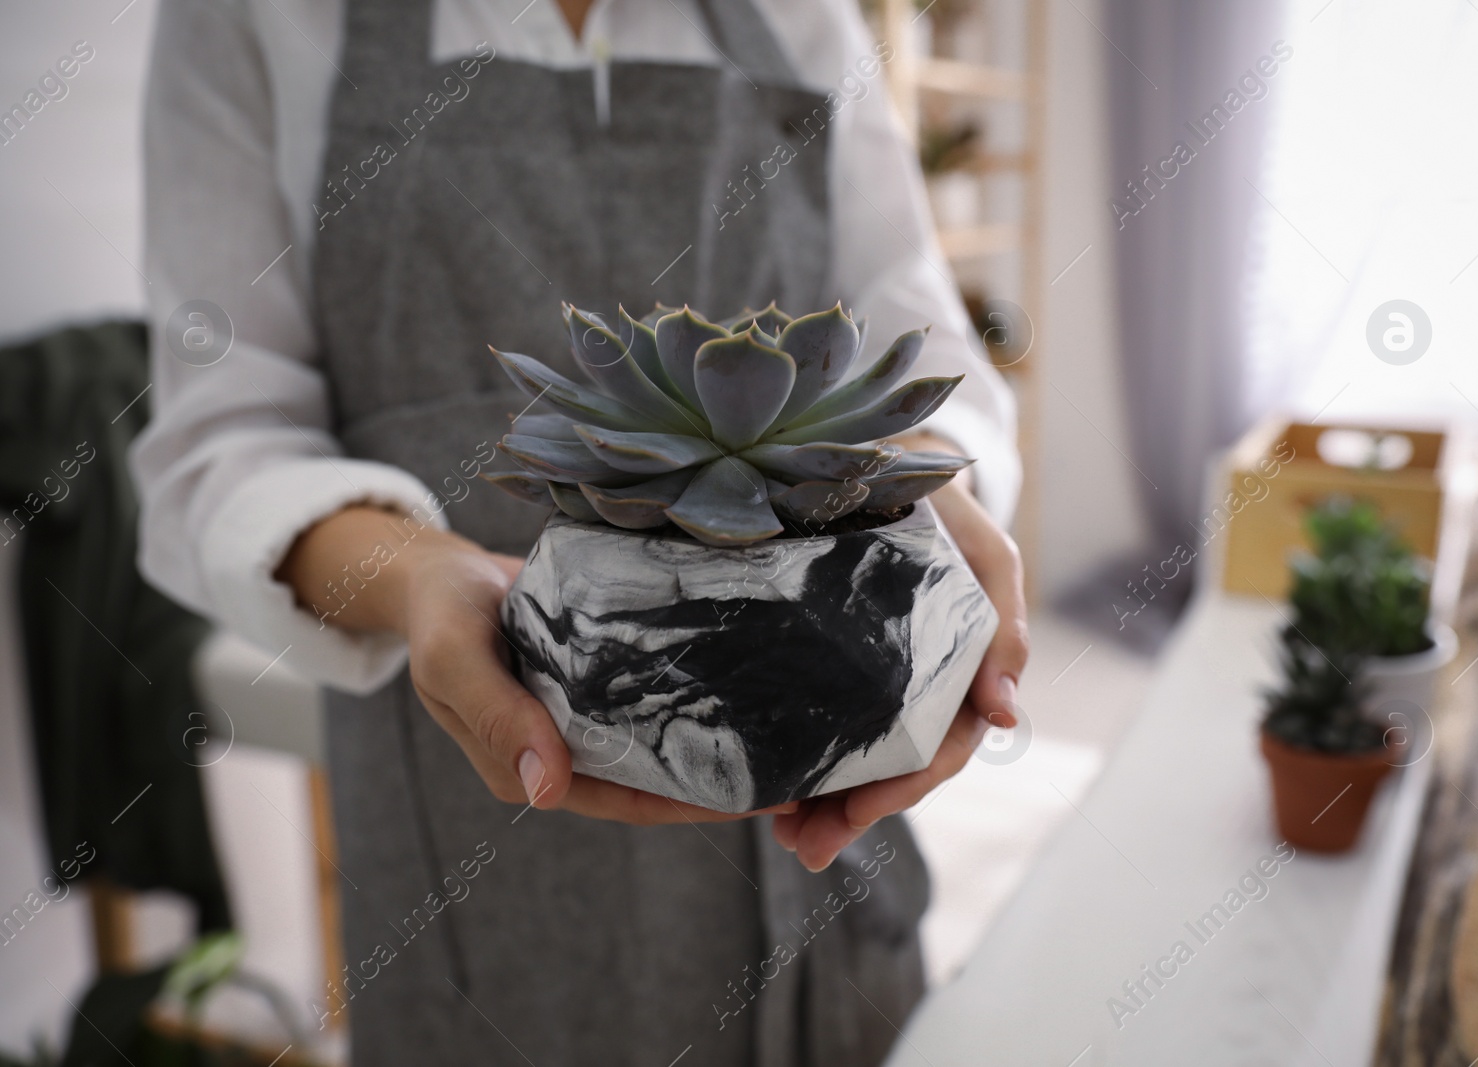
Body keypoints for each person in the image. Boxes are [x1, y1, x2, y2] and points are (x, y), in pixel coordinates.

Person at [132, 0, 1027, 1063]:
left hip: (823, 776)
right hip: (468, 815)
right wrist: (422, 574)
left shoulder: (798, 18)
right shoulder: (249, 18)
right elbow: (219, 444)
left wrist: (935, 508)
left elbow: (920, 351)